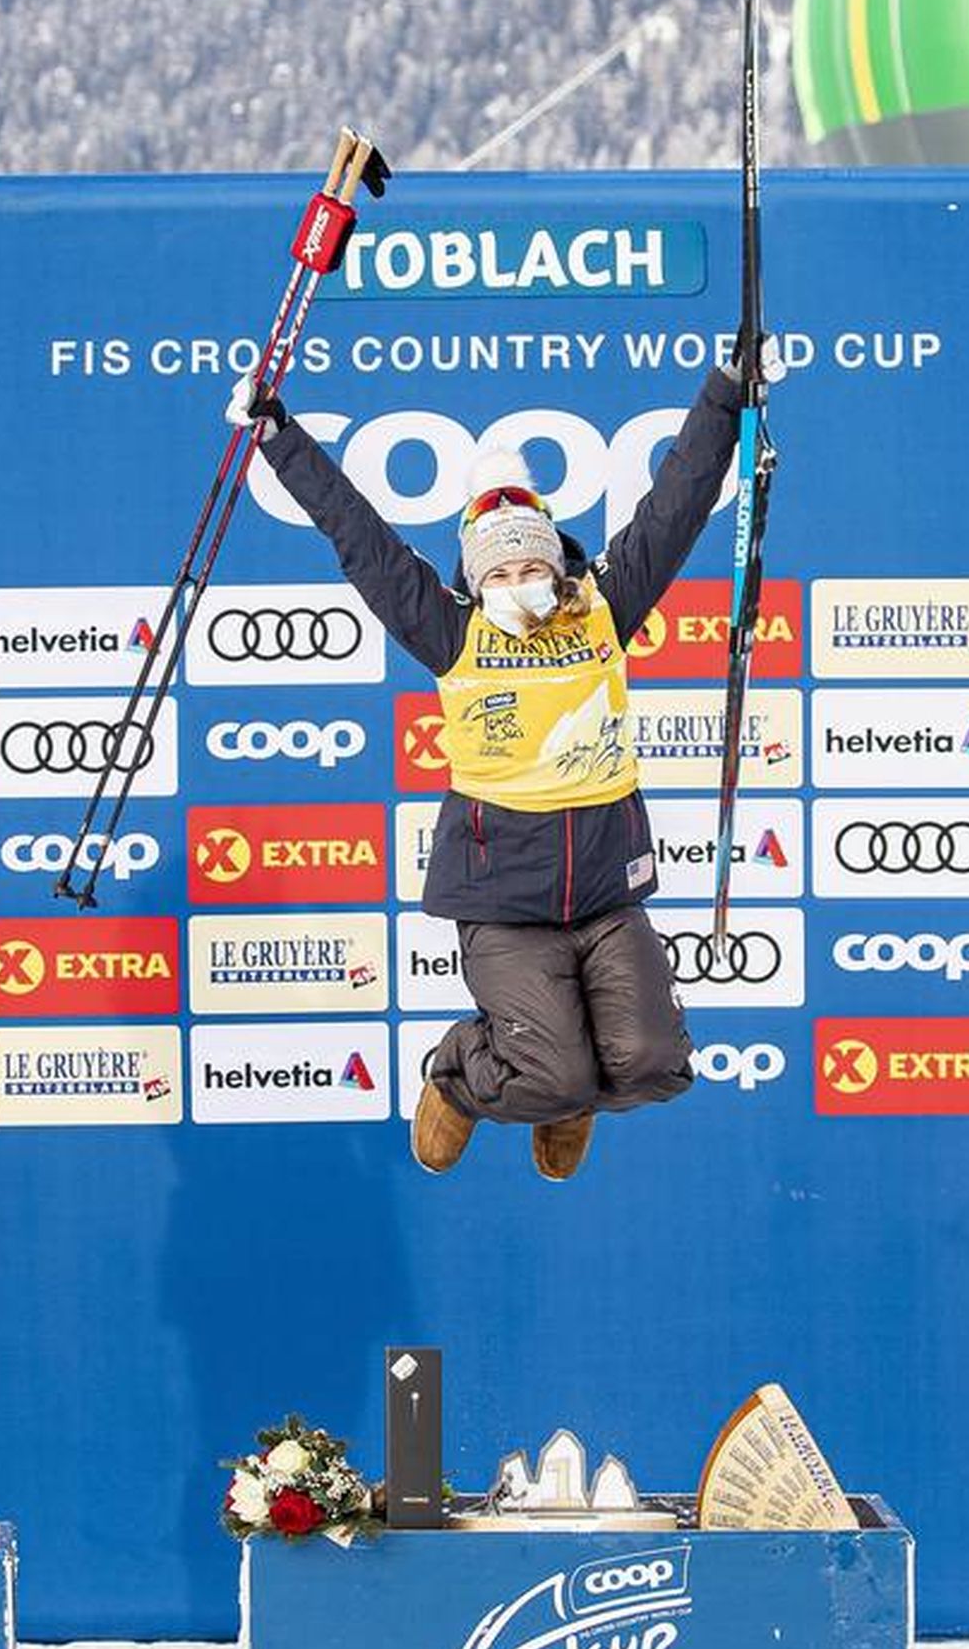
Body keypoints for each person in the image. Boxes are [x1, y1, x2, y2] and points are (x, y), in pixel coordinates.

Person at [226, 348, 754, 1179]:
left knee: (656, 1063)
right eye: (500, 570)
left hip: (609, 895)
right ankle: (459, 1073)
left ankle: (565, 1093)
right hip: (505, 901)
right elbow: (360, 537)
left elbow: (676, 504)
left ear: (556, 562)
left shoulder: (601, 612)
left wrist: (725, 394)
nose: (519, 582)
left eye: (532, 565)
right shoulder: (451, 630)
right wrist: (279, 437)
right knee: (550, 1071)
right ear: (477, 576)